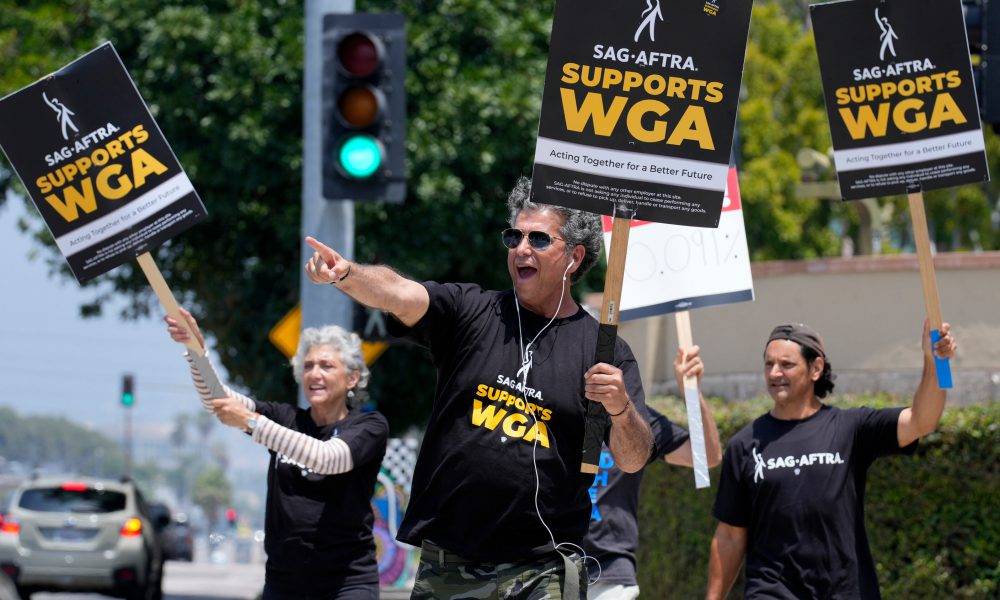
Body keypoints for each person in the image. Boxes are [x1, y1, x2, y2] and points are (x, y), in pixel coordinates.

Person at [304, 176, 654, 599]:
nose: (521, 249)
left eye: (539, 239)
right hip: (450, 563)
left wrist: (619, 408)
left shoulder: (606, 352)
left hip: (543, 569)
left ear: (574, 257)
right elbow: (399, 293)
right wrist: (347, 273)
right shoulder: (471, 311)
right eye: (514, 236)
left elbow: (634, 459)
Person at [706, 321, 957, 599]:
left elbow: (922, 420)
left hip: (844, 591)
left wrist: (933, 361)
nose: (775, 373)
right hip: (772, 591)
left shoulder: (851, 428)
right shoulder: (744, 444)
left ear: (816, 368)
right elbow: (730, 535)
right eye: (769, 364)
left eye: (786, 364)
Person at [165, 309, 388, 600]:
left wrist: (251, 422)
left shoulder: (368, 426)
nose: (314, 374)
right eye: (307, 366)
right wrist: (196, 350)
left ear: (351, 378)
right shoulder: (285, 418)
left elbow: (327, 458)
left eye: (326, 366)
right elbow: (218, 399)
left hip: (347, 584)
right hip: (284, 582)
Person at [584, 345, 723, 600]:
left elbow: (706, 457)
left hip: (610, 575)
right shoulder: (548, 406)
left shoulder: (637, 420)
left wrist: (691, 392)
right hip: (549, 565)